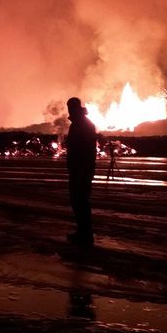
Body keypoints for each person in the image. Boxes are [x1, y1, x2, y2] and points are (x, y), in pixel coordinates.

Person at [65, 97, 97, 246]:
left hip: (81, 168)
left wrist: (82, 168)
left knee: (80, 201)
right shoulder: (81, 123)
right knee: (79, 200)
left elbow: (84, 149)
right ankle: (83, 232)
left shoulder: (81, 125)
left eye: (70, 107)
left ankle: (85, 234)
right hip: (80, 167)